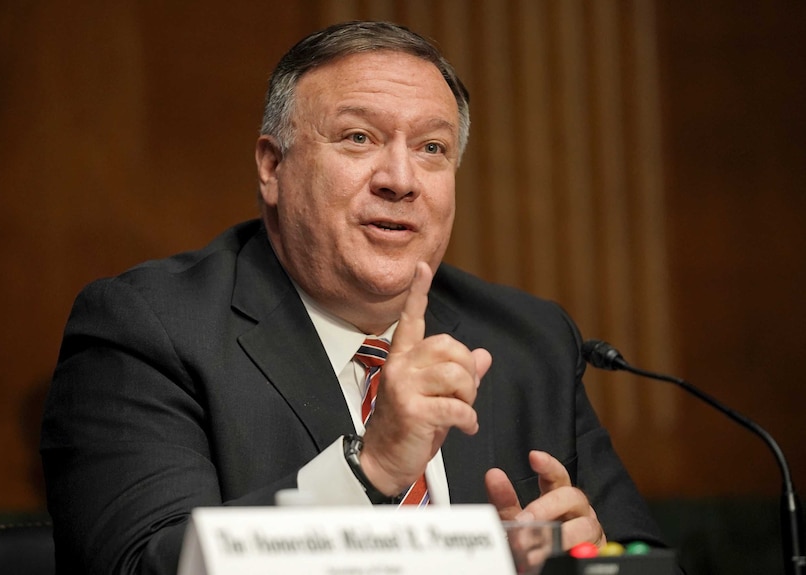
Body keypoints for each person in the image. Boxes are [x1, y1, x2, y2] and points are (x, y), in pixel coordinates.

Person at [41, 20, 672, 575]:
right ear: (272, 166)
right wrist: (365, 471)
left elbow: (643, 558)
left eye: (432, 148)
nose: (400, 180)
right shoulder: (151, 330)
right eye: (358, 138)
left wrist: (593, 561)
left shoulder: (529, 341)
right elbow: (141, 564)